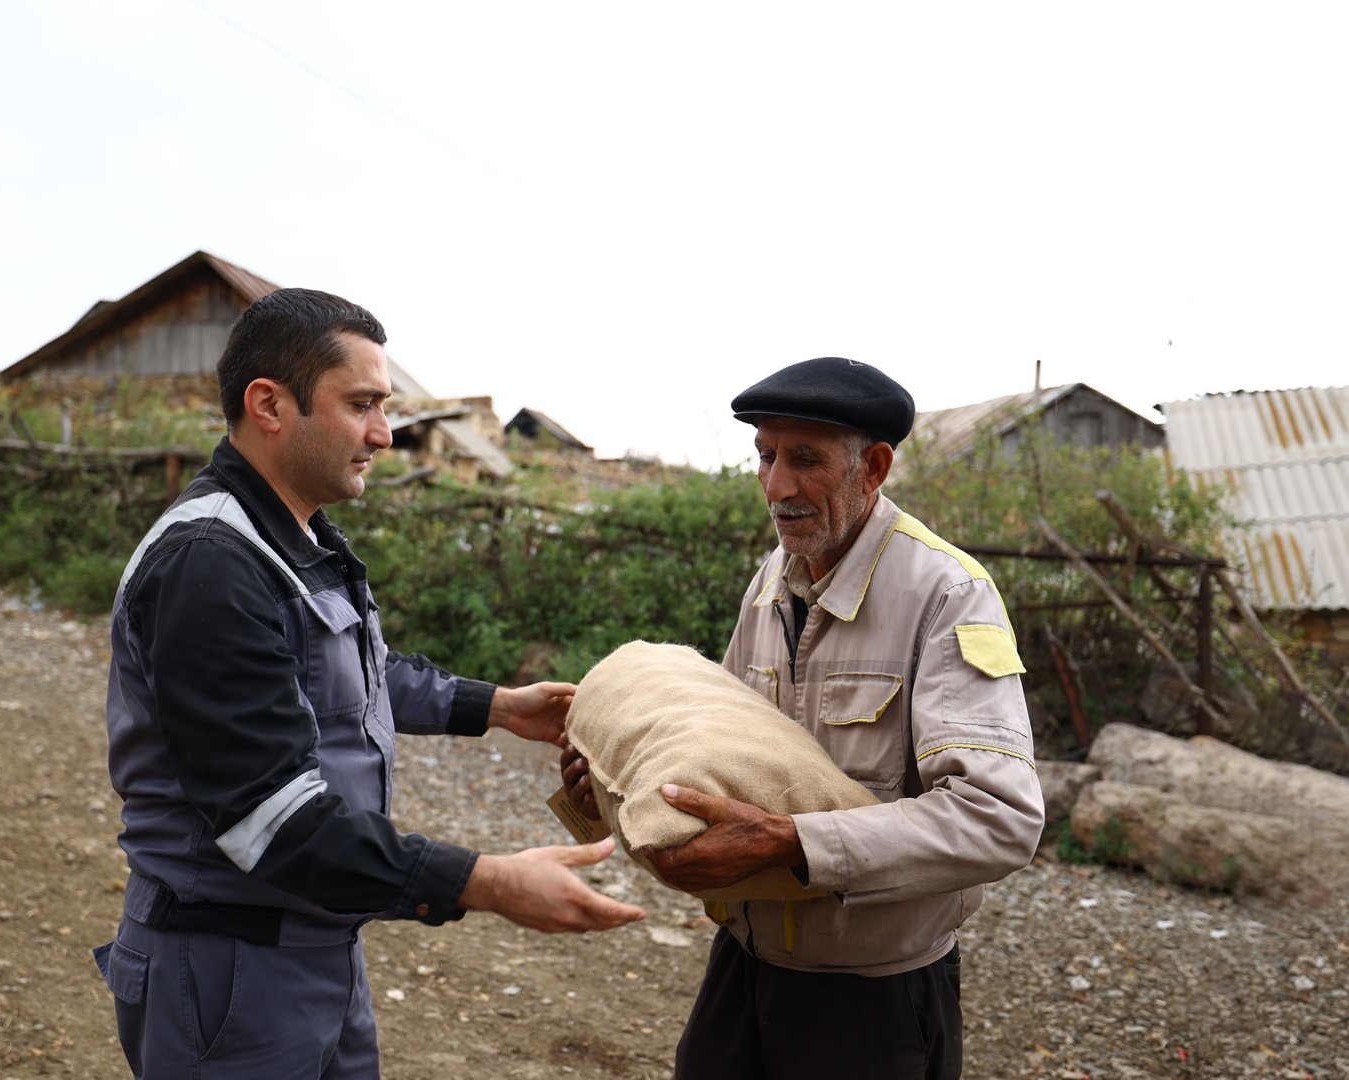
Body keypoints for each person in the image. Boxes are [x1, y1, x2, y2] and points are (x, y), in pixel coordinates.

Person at [96, 287, 644, 1080]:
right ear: (270, 405)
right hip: (226, 965)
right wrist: (486, 881)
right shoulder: (210, 564)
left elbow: (351, 671)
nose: (385, 435)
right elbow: (273, 822)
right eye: (361, 405)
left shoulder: (297, 537)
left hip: (316, 949)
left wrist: (495, 707)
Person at [562, 356, 1044, 1079]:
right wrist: (598, 791)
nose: (775, 486)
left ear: (873, 467)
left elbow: (999, 819)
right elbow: (718, 741)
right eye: (764, 456)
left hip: (870, 996)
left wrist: (790, 841)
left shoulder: (947, 595)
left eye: (805, 459)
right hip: (745, 961)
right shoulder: (771, 579)